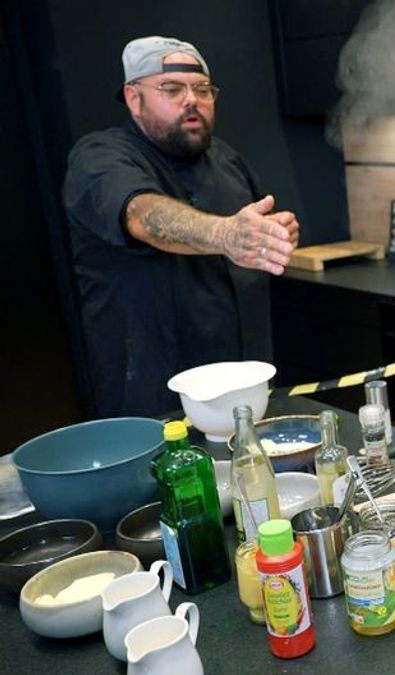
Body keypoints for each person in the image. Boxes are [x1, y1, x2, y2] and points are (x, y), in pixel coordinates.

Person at [63, 36, 299, 418]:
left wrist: (273, 234)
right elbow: (141, 215)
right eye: (171, 89)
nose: (191, 100)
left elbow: (250, 228)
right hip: (154, 387)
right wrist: (225, 235)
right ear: (133, 97)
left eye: (202, 89)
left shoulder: (225, 159)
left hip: (242, 378)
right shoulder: (100, 157)